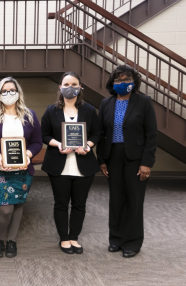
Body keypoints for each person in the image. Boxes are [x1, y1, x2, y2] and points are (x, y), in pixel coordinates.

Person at [0, 77, 42, 258]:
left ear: (18, 92)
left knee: (18, 205)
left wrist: (27, 155)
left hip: (22, 171)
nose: (8, 94)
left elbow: (37, 142)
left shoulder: (29, 115)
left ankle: (11, 240)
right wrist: (0, 158)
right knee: (5, 208)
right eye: (4, 91)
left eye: (12, 90)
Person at [97, 65, 157, 258]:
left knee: (134, 199)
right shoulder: (106, 103)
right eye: (118, 80)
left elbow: (151, 135)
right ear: (112, 84)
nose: (123, 83)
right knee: (116, 200)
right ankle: (115, 239)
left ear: (134, 82)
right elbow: (101, 134)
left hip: (136, 158)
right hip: (112, 155)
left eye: (126, 79)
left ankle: (132, 242)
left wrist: (147, 162)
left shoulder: (144, 102)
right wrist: (102, 160)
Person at [41, 72, 100, 255]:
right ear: (60, 87)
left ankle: (74, 237)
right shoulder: (52, 110)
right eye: (66, 84)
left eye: (74, 84)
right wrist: (58, 144)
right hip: (59, 164)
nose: (70, 87)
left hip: (83, 164)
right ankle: (64, 238)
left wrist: (88, 146)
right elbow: (44, 135)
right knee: (60, 203)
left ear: (80, 87)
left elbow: (96, 134)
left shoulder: (89, 110)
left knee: (79, 204)